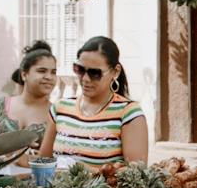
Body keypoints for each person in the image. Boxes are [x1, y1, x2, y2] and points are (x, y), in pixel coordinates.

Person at [47, 35, 149, 168]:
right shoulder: (60, 109)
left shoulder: (128, 113)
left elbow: (137, 174)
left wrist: (86, 171)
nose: (85, 79)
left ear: (115, 72)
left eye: (95, 73)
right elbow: (42, 162)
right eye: (80, 69)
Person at [0, 39, 57, 154]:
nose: (49, 77)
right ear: (24, 74)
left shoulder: (57, 114)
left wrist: (23, 158)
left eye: (53, 72)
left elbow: (56, 158)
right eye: (42, 71)